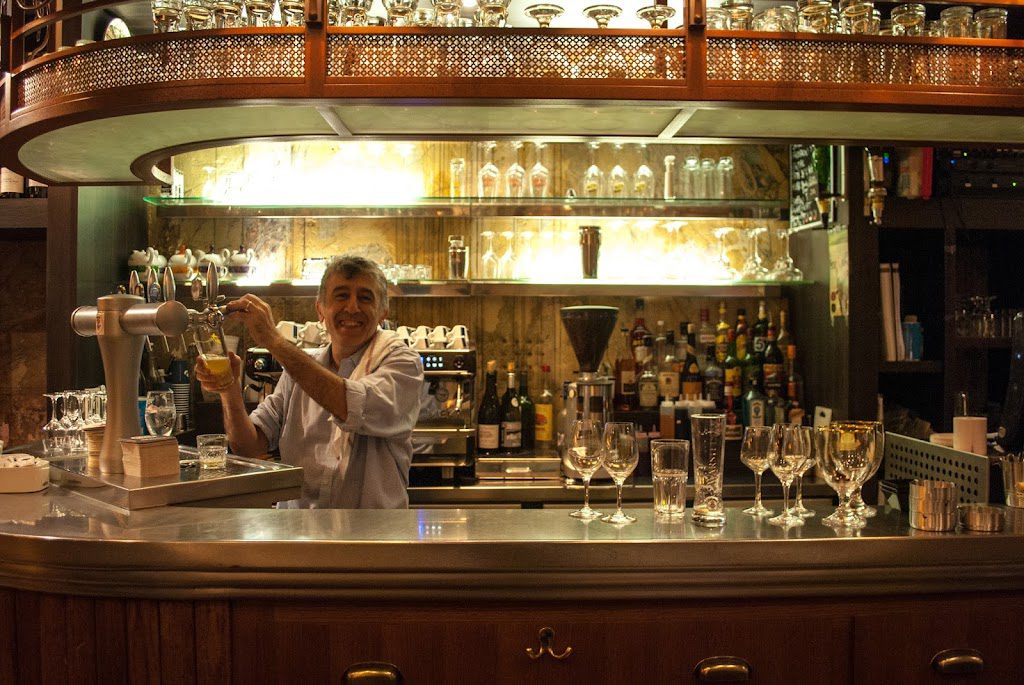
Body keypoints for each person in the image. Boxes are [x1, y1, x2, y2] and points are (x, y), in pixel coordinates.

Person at [196, 255, 423, 508]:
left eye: (365, 298)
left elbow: (353, 405)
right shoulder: (298, 372)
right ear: (320, 310)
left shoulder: (403, 363)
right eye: (341, 296)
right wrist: (229, 390)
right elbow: (249, 446)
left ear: (383, 313)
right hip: (299, 528)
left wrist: (273, 339)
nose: (352, 307)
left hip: (372, 530)